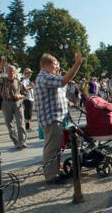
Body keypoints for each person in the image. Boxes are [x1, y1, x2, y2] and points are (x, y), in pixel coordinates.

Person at [35, 52, 83, 184]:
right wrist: (77, 64)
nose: (57, 68)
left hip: (56, 118)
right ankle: (51, 176)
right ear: (47, 64)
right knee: (51, 148)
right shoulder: (44, 77)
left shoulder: (46, 77)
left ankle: (55, 171)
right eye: (56, 65)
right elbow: (63, 81)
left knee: (55, 147)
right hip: (51, 119)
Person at [0, 58, 28, 150]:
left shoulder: (18, 82)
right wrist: (1, 66)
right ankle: (16, 142)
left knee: (20, 123)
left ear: (15, 72)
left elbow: (25, 94)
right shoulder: (3, 80)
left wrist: (19, 96)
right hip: (6, 103)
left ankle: (23, 142)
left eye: (12, 70)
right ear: (6, 72)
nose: (11, 72)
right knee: (9, 124)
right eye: (9, 71)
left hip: (17, 103)